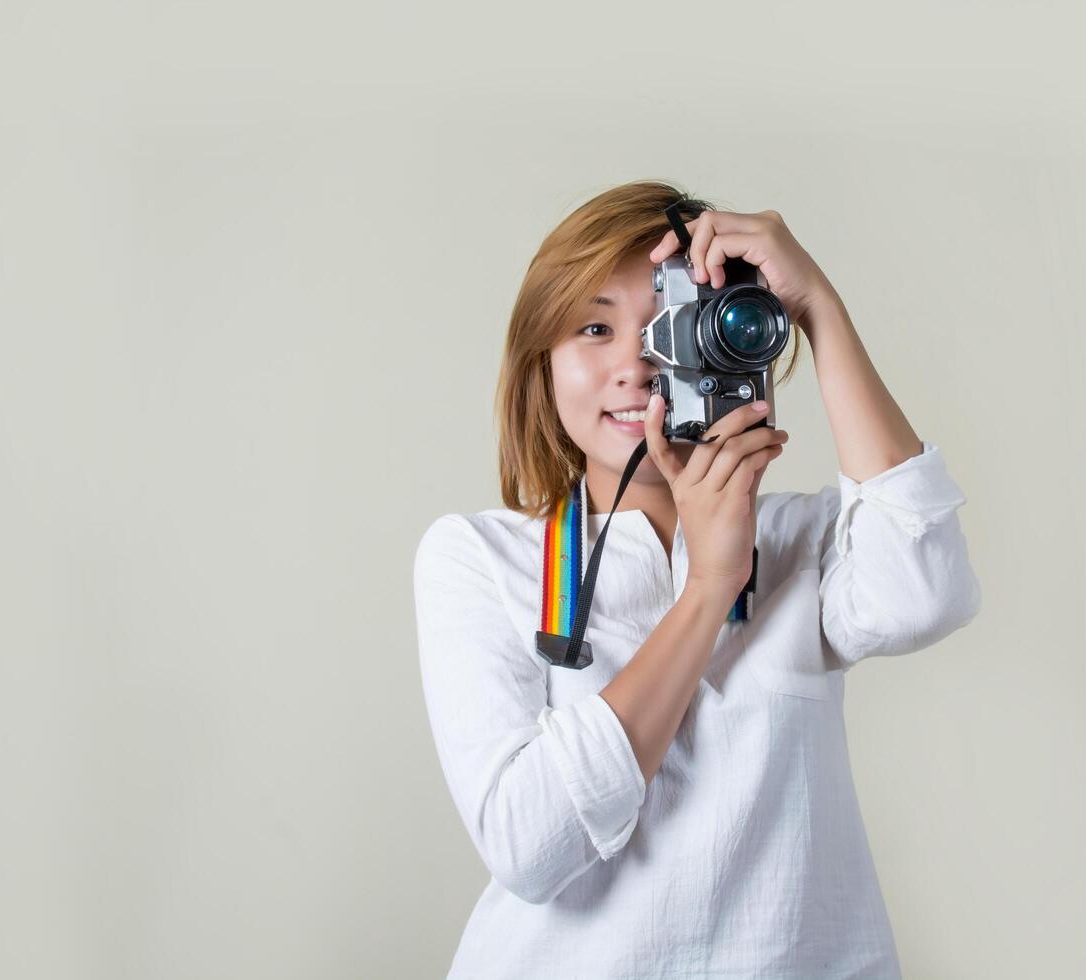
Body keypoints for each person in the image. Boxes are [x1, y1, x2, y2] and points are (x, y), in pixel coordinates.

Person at [412, 181, 982, 978]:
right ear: (539, 361)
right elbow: (528, 846)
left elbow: (927, 593)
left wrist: (814, 303)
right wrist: (709, 586)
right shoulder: (481, 559)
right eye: (593, 328)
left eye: (666, 325)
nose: (635, 364)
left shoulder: (796, 542)